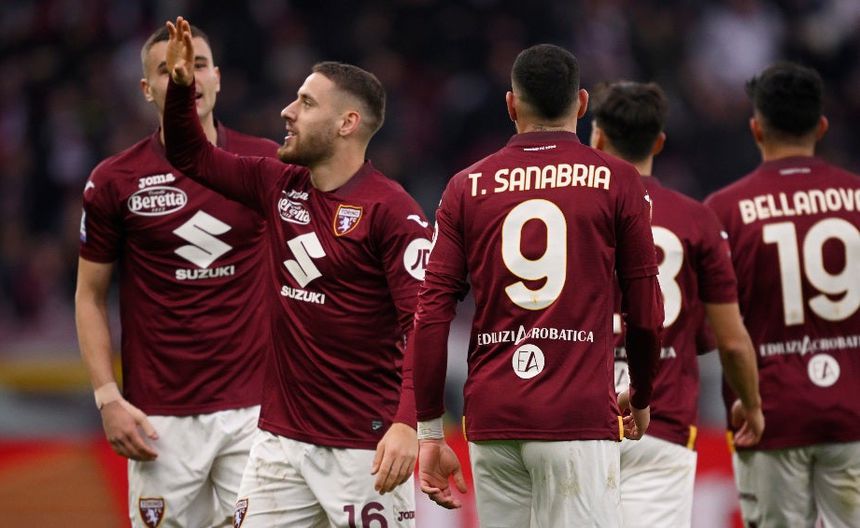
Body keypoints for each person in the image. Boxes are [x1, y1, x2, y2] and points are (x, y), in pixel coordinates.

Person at [162, 17, 431, 527]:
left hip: (364, 446)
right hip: (279, 443)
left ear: (347, 123)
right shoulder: (277, 183)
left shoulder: (394, 212)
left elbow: (424, 323)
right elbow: (190, 155)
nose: (287, 111)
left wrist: (407, 423)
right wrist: (180, 90)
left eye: (306, 103)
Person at [412, 44, 664, 527]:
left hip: (494, 417)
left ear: (511, 105)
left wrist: (429, 431)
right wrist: (642, 393)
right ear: (582, 103)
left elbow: (430, 313)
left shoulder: (465, 186)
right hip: (577, 413)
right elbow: (646, 312)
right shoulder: (617, 180)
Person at [75, 24, 278, 528]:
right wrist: (107, 398)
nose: (187, 76)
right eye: (169, 71)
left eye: (198, 65)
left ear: (218, 78)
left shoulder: (264, 162)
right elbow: (89, 296)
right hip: (158, 417)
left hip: (256, 410)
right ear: (146, 90)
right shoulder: (114, 180)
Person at [589, 80, 764, 528]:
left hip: (579, 420)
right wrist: (751, 402)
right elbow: (728, 339)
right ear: (659, 142)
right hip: (662, 424)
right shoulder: (696, 219)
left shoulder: (571, 211)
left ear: (598, 137)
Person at [706, 62, 860, 528]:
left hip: (770, 415)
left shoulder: (725, 211)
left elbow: (722, 334)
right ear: (822, 126)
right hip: (854, 412)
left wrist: (749, 402)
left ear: (756, 128)